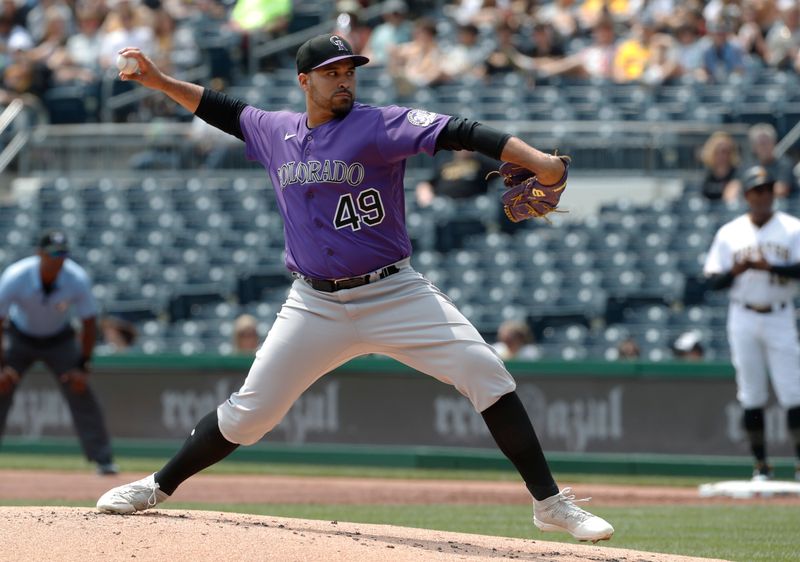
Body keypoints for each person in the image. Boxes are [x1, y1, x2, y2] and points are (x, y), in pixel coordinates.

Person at [96, 34, 614, 543]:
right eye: (332, 73)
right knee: (250, 414)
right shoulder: (274, 130)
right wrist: (159, 80)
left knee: (485, 371)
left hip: (393, 292)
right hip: (314, 303)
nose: (345, 81)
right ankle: (156, 486)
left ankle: (549, 505)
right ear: (305, 81)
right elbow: (220, 108)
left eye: (350, 71)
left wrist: (543, 163)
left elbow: (463, 130)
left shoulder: (378, 124)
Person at [703, 166, 800, 482]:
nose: (764, 196)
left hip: (780, 313)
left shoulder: (792, 228)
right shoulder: (730, 232)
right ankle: (761, 466)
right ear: (747, 195)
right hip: (742, 315)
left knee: (793, 392)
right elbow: (711, 282)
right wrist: (737, 271)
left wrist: (771, 266)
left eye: (768, 189)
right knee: (751, 393)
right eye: (757, 190)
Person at [0, 232, 118, 475]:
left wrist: (83, 365)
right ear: (39, 253)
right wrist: (1, 367)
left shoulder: (76, 278)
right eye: (53, 253)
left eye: (63, 253)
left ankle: (103, 459)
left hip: (59, 339)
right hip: (19, 336)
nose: (58, 259)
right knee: (0, 386)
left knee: (80, 389)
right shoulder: (16, 276)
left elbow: (88, 323)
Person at [696, 131, 741, 202]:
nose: (721, 156)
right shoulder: (707, 175)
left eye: (725, 151)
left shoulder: (737, 174)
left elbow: (731, 198)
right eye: (717, 152)